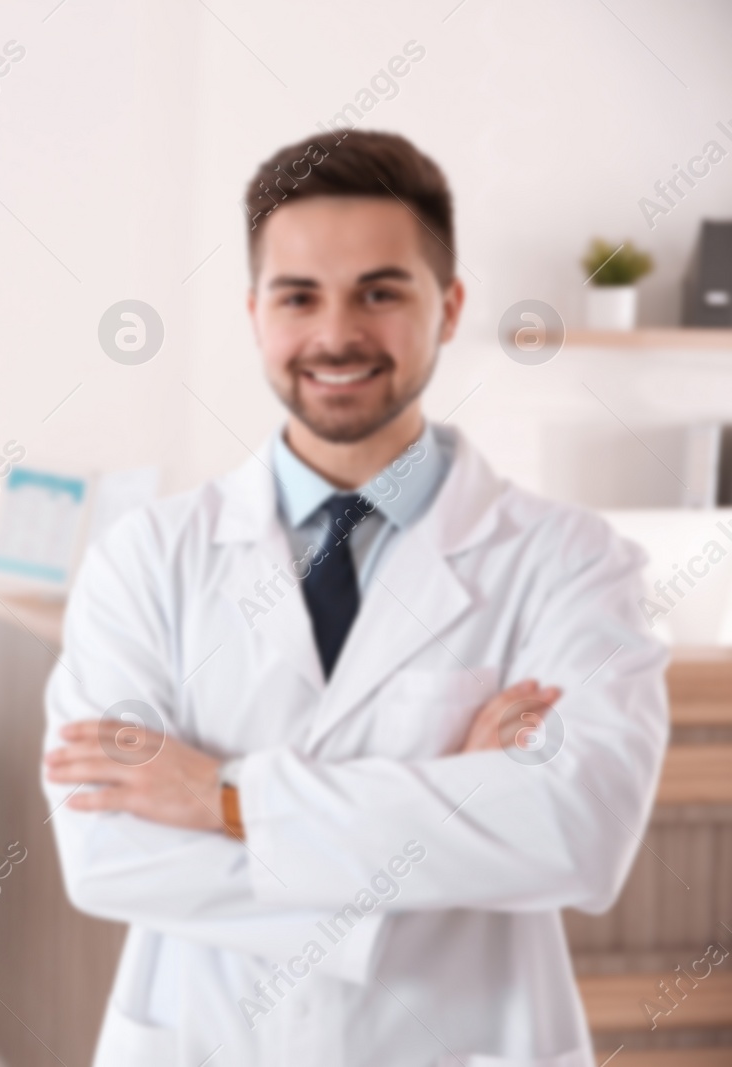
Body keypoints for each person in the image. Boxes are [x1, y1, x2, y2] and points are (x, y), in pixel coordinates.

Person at [41, 130, 669, 1066]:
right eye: (300, 296)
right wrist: (455, 808)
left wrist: (221, 796)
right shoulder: (146, 557)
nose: (336, 334)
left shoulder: (573, 560)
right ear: (255, 312)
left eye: (381, 291)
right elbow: (107, 854)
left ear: (448, 308)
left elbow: (580, 831)